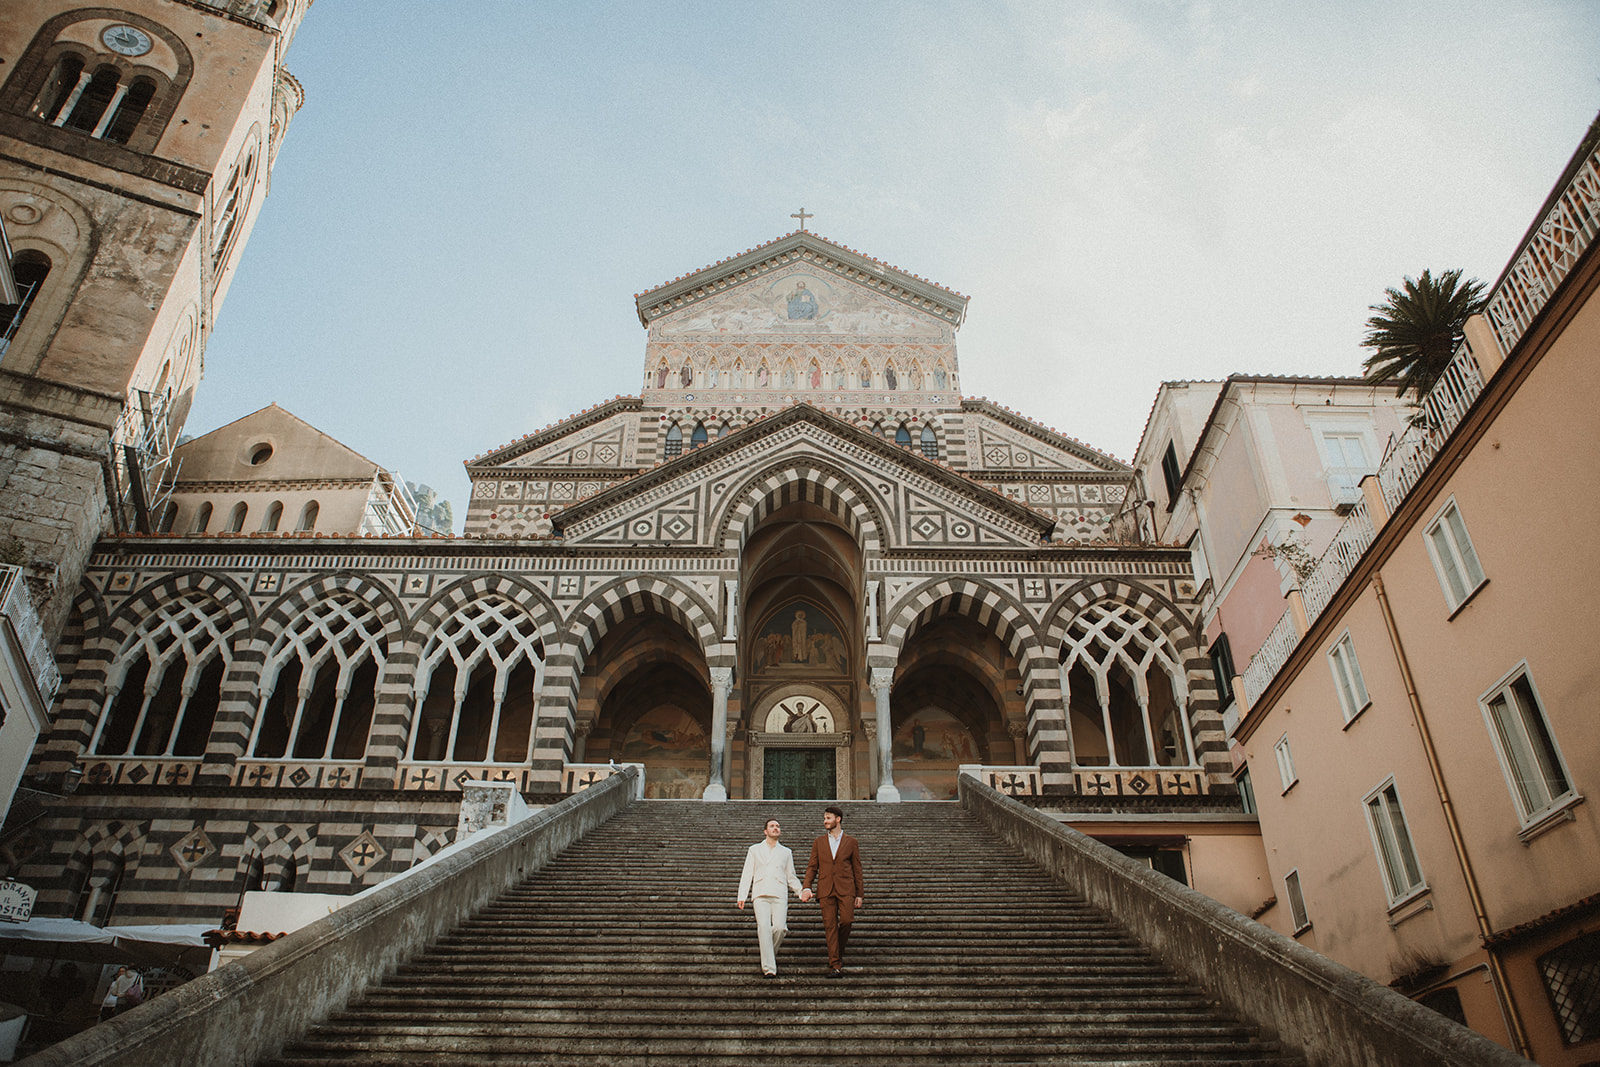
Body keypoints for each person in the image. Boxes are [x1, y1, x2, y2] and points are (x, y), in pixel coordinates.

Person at [736, 818, 809, 978]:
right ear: (765, 831)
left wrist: (801, 891)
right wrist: (742, 895)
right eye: (772, 826)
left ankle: (768, 956)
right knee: (763, 928)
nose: (776, 828)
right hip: (760, 892)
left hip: (779, 892)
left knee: (780, 928)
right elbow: (747, 873)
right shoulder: (754, 849)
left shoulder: (786, 852)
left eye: (778, 826)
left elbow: (791, 876)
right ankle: (769, 968)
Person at [803, 805, 864, 978]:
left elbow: (857, 869)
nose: (825, 822)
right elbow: (812, 867)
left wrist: (860, 894)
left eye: (828, 818)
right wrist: (807, 886)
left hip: (846, 889)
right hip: (826, 889)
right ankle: (835, 965)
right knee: (830, 927)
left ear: (838, 819)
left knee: (846, 921)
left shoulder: (851, 842)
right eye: (824, 819)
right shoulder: (819, 842)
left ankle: (837, 950)